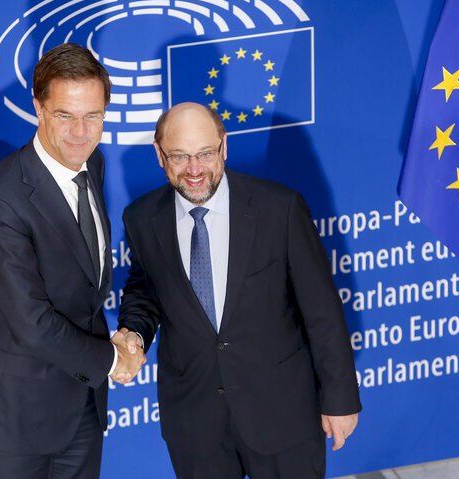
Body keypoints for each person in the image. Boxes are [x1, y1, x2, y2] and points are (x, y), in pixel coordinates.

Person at [117, 102, 361, 479]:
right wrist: (134, 332)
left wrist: (340, 400)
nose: (195, 169)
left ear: (224, 147)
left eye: (205, 154)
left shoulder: (278, 208)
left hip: (282, 414)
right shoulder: (141, 218)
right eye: (180, 156)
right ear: (159, 154)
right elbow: (144, 289)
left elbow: (322, 310)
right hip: (195, 421)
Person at [0, 43, 145, 479]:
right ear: (39, 109)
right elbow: (29, 320)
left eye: (93, 116)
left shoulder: (92, 163)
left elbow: (83, 282)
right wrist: (111, 359)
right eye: (65, 115)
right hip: (18, 419)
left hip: (81, 404)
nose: (81, 132)